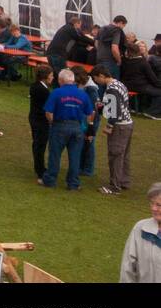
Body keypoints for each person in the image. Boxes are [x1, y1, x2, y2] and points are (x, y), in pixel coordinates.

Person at [41, 69, 96, 190]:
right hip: (77, 127)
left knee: (55, 155)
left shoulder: (56, 92)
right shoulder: (82, 94)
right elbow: (90, 112)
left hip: (60, 125)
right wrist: (88, 125)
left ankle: (50, 180)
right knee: (75, 156)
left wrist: (53, 122)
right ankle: (73, 183)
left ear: (61, 80)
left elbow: (48, 112)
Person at [93, 64, 133, 196]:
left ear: (101, 76)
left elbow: (115, 111)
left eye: (96, 78)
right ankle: (123, 181)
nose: (96, 81)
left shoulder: (111, 89)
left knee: (115, 155)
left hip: (119, 126)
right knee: (123, 155)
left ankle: (114, 187)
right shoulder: (119, 84)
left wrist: (109, 126)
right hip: (127, 123)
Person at [119, 184, 161, 282]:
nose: (154, 208)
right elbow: (128, 268)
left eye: (159, 205)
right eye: (152, 203)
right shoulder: (140, 228)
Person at [28, 64, 53, 181]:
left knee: (37, 143)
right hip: (41, 121)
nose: (53, 77)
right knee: (40, 145)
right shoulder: (43, 90)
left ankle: (38, 167)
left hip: (34, 118)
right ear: (45, 76)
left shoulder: (35, 86)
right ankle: (40, 169)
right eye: (51, 75)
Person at [96, 14, 128, 79]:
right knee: (112, 82)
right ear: (121, 23)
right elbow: (114, 48)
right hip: (110, 61)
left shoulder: (102, 28)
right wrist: (119, 60)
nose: (123, 28)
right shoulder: (117, 30)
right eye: (124, 26)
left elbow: (96, 43)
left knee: (100, 81)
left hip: (99, 58)